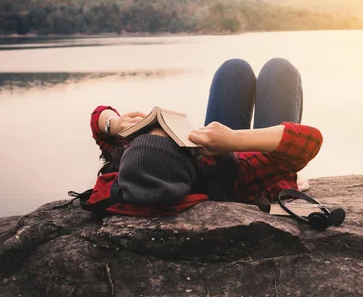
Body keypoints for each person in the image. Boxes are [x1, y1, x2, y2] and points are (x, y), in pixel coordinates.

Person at [89, 58, 322, 212]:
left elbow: (98, 116)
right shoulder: (235, 175)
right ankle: (289, 172)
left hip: (216, 148)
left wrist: (116, 124)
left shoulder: (130, 167)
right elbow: (309, 139)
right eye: (172, 138)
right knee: (280, 70)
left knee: (234, 69)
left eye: (148, 132)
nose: (162, 129)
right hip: (247, 159)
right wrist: (232, 140)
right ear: (190, 156)